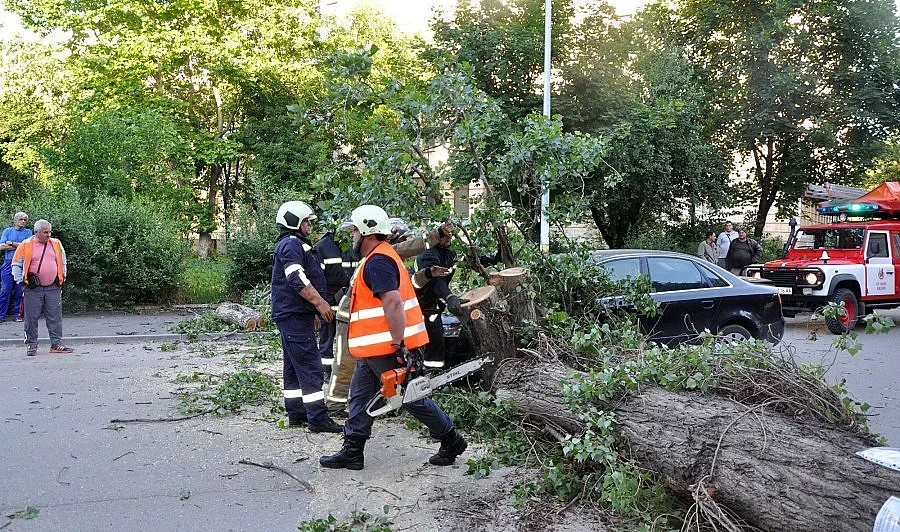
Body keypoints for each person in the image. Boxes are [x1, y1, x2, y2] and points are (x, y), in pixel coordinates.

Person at [319, 205, 467, 470]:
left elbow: (393, 303)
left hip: (389, 347)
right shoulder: (378, 257)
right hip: (373, 349)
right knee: (360, 397)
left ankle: (451, 438)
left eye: (354, 231)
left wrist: (400, 346)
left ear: (368, 231)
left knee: (410, 398)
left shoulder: (379, 261)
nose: (352, 237)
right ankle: (353, 449)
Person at [324, 218, 444, 416]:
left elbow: (410, 285)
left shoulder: (388, 261)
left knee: (369, 371)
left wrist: (428, 274)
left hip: (371, 324)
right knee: (345, 363)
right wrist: (436, 234)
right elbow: (411, 247)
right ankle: (335, 406)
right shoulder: (381, 257)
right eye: (402, 237)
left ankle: (370, 409)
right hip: (351, 319)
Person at [270, 201, 342, 433]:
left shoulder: (293, 244)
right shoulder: (292, 245)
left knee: (293, 365)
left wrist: (312, 310)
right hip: (294, 315)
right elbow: (297, 279)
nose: (309, 225)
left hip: (294, 314)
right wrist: (321, 304)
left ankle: (297, 413)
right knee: (311, 366)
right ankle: (318, 419)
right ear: (294, 223)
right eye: (306, 221)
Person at [12, 220, 72, 356]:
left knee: (55, 317)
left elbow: (63, 261)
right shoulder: (25, 245)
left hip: (53, 287)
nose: (49, 235)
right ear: (36, 232)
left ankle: (56, 344)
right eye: (45, 232)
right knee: (31, 318)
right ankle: (31, 345)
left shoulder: (56, 243)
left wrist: (62, 277)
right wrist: (22, 283)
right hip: (32, 289)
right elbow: (16, 265)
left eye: (50, 232)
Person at [415, 220, 468, 370]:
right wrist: (449, 296)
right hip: (417, 305)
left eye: (450, 235)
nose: (449, 239)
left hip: (432, 306)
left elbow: (469, 261)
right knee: (419, 343)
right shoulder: (427, 255)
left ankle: (434, 376)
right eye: (445, 236)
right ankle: (418, 375)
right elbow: (435, 281)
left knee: (436, 340)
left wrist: (493, 259)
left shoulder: (449, 253)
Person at [313, 224, 350, 373]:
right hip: (328, 301)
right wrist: (320, 305)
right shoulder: (322, 247)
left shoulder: (350, 247)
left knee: (347, 341)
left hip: (348, 300)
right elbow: (316, 279)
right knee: (327, 339)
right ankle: (326, 371)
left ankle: (345, 371)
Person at [1, 212, 31, 322]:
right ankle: (1, 315)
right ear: (15, 220)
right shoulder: (7, 231)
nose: (23, 221)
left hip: (22, 263)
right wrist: (19, 246)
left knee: (20, 290)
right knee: (5, 290)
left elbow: (27, 247)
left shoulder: (28, 232)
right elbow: (2, 247)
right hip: (8, 262)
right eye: (21, 219)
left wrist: (11, 243)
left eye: (25, 219)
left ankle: (17, 314)